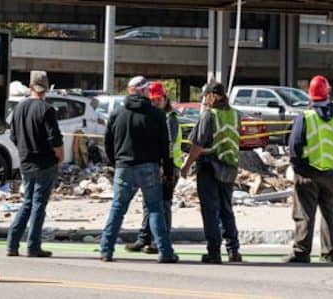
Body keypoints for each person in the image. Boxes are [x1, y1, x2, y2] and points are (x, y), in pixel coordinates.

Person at [99, 76, 178, 263]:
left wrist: (115, 162)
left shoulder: (117, 114)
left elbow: (107, 143)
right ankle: (165, 253)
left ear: (129, 90)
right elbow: (165, 148)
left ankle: (106, 250)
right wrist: (167, 171)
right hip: (149, 167)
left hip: (124, 167)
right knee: (155, 209)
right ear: (143, 91)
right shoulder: (156, 115)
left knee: (117, 209)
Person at [180, 80, 242, 264]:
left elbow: (198, 144)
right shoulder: (235, 114)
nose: (204, 100)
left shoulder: (209, 115)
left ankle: (214, 252)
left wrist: (186, 165)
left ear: (213, 96)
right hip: (229, 166)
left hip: (210, 166)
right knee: (226, 210)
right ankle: (233, 251)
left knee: (210, 210)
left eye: (206, 96)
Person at [6, 70, 63, 258]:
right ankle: (33, 245)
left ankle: (12, 243)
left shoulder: (18, 109)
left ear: (30, 87)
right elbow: (54, 138)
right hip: (45, 163)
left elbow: (13, 136)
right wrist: (59, 156)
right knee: (39, 204)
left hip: (26, 162)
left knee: (27, 202)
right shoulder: (47, 110)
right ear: (45, 89)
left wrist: (24, 150)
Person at [285, 75, 333, 263]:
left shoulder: (306, 116)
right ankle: (329, 252)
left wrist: (297, 167)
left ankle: (301, 252)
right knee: (329, 214)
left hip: (308, 172)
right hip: (330, 172)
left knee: (304, 214)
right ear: (327, 93)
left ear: (310, 95)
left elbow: (295, 145)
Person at [125, 81, 182, 254]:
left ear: (165, 99)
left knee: (163, 205)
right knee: (148, 205)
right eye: (153, 99)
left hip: (168, 167)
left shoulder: (169, 118)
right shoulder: (153, 117)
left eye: (158, 99)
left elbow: (169, 145)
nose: (155, 102)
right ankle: (144, 238)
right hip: (153, 167)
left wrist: (166, 168)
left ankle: (160, 241)